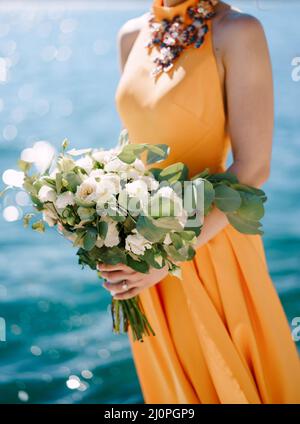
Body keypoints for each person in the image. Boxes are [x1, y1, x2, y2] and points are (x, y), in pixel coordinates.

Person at [97, 0, 300, 403]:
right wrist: (109, 226)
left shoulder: (238, 31)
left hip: (210, 241)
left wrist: (168, 258)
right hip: (147, 252)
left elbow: (253, 168)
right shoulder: (130, 34)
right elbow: (137, 153)